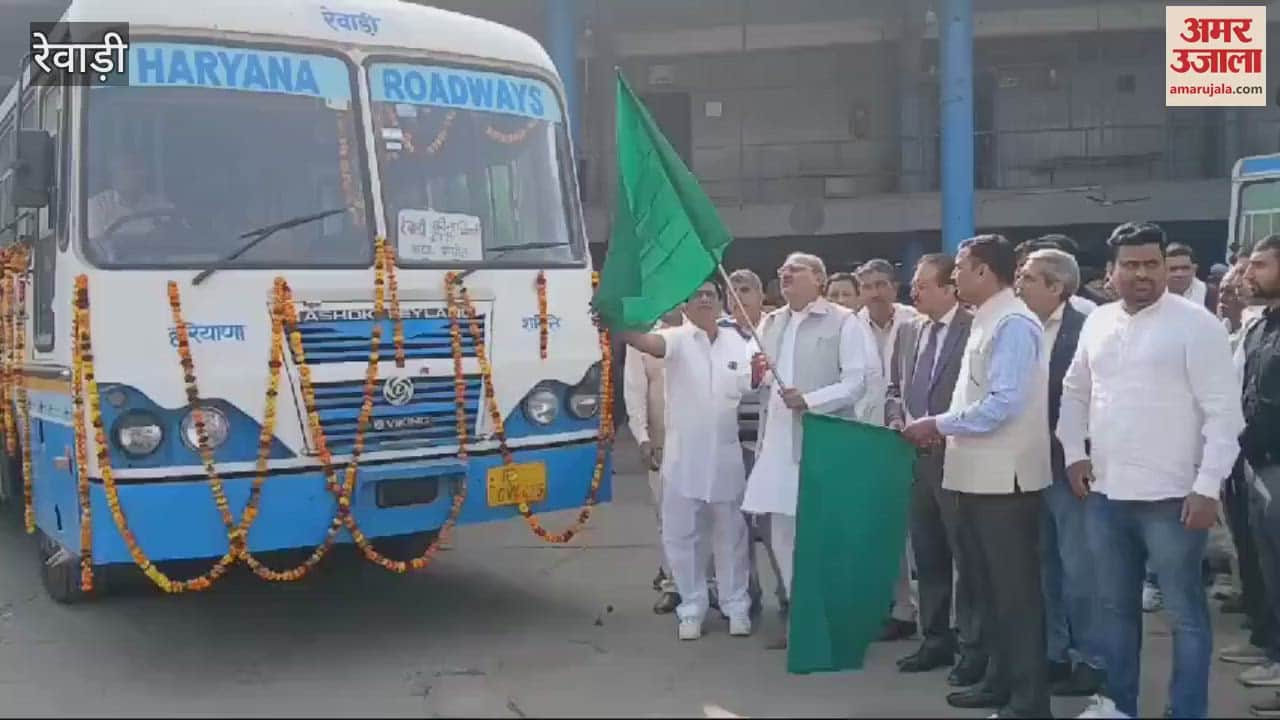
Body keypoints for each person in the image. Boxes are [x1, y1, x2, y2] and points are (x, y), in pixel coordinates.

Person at [1057, 222, 1244, 720]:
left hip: (1174, 497)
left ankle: (1186, 711)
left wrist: (1207, 487)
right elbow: (1075, 392)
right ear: (1110, 272)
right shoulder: (1098, 323)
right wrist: (1074, 451)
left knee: (1184, 615)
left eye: (1152, 264)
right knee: (1115, 612)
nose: (1143, 274)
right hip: (1106, 494)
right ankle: (1119, 708)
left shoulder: (1195, 325)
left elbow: (1225, 414)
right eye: (1131, 265)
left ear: (1164, 266)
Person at [901, 233, 1052, 718]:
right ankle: (998, 680)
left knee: (1014, 596)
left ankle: (1029, 701)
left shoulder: (1012, 323)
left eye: (962, 267)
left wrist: (936, 424)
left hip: (1004, 484)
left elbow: (1003, 404)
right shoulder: (988, 321)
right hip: (974, 478)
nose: (955, 276)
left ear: (985, 272)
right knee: (986, 592)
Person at [743, 252, 879, 651]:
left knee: (825, 535)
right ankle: (802, 616)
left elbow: (856, 382)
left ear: (818, 279)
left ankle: (837, 620)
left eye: (796, 270)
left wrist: (811, 400)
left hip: (821, 441)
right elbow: (762, 377)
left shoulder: (844, 321)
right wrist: (756, 376)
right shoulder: (771, 322)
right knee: (781, 533)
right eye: (782, 269)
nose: (785, 273)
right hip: (776, 442)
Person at [621, 279, 756, 641]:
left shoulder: (738, 342)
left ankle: (735, 606)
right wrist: (617, 323)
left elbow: (752, 383)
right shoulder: (677, 338)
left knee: (732, 536)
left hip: (726, 456)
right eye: (697, 295)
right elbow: (646, 342)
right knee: (683, 536)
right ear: (685, 305)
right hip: (683, 459)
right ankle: (692, 607)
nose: (705, 300)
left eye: (711, 295)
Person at [885, 253, 983, 682]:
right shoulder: (908, 331)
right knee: (928, 557)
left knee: (968, 557)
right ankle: (936, 639)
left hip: (959, 458)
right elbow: (893, 388)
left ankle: (974, 646)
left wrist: (942, 428)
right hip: (917, 463)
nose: (914, 291)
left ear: (949, 289)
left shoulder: (976, 329)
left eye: (923, 285)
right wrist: (894, 418)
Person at [1015, 248, 1105, 697]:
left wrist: (1080, 453)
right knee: (1045, 567)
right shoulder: (1019, 325)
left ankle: (1092, 659)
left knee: (1079, 569)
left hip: (1071, 467)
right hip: (1030, 464)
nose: (1020, 284)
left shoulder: (1087, 324)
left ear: (1056, 287)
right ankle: (1056, 653)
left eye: (1029, 278)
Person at [855, 258, 922, 641]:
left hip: (911, 435)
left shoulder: (914, 322)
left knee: (920, 530)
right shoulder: (850, 326)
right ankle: (898, 608)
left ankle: (931, 609)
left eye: (882, 284)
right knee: (882, 529)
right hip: (868, 437)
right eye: (868, 286)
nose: (876, 292)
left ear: (894, 288)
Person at [718, 268, 786, 619]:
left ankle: (786, 595)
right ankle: (746, 595)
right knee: (735, 526)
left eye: (745, 289)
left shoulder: (776, 329)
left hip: (769, 443)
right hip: (730, 443)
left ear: (761, 296)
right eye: (731, 291)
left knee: (773, 525)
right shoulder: (716, 334)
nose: (738, 297)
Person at [1237, 236, 1280, 717]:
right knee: (1270, 571)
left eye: (1262, 265)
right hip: (1259, 462)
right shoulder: (1262, 324)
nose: (1250, 274)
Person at [623, 307, 686, 615]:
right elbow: (634, 393)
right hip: (662, 444)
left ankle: (710, 585)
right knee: (668, 519)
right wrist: (643, 438)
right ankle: (674, 586)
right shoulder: (645, 339)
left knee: (709, 520)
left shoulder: (704, 331)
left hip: (702, 443)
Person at [87, 153, 175, 244]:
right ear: (113, 176)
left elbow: (173, 238)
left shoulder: (162, 205)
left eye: (138, 169)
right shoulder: (96, 205)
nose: (133, 175)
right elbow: (95, 244)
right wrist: (147, 238)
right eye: (126, 169)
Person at [1166, 242, 1212, 311]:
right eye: (1173, 269)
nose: (1179, 274)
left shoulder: (1211, 295)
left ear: (1194, 270)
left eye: (1185, 268)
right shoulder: (1152, 296)